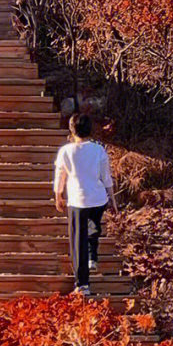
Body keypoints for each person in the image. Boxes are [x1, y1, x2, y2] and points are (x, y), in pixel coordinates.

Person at [53, 112, 117, 295]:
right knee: (93, 228)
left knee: (77, 240)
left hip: (77, 200)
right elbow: (106, 176)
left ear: (71, 130)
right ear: (91, 130)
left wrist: (58, 195)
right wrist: (112, 197)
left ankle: (83, 284)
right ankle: (92, 256)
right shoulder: (99, 150)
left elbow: (60, 175)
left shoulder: (66, 151)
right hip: (98, 199)